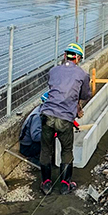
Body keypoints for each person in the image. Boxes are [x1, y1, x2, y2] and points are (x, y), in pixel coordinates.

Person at [39, 43, 91, 195]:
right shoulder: (82, 74)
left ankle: (46, 184)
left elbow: (54, 89)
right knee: (67, 150)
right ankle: (64, 185)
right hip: (65, 118)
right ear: (78, 58)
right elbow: (85, 95)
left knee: (46, 150)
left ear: (64, 56)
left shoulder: (53, 70)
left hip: (47, 114)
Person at [18, 92, 48, 161]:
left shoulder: (42, 110)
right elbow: (36, 137)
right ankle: (36, 160)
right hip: (27, 147)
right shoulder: (37, 116)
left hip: (32, 143)